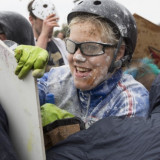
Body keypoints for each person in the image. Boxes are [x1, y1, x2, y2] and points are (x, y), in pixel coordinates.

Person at [15, 0, 149, 129]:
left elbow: (113, 150)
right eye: (72, 45)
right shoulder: (57, 78)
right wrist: (13, 65)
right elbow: (16, 102)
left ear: (119, 53)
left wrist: (70, 132)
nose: (77, 57)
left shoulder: (129, 100)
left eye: (91, 47)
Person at [27, 0, 68, 72]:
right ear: (31, 20)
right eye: (44, 20)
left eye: (51, 19)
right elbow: (32, 70)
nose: (49, 24)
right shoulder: (27, 44)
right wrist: (44, 34)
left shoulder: (60, 43)